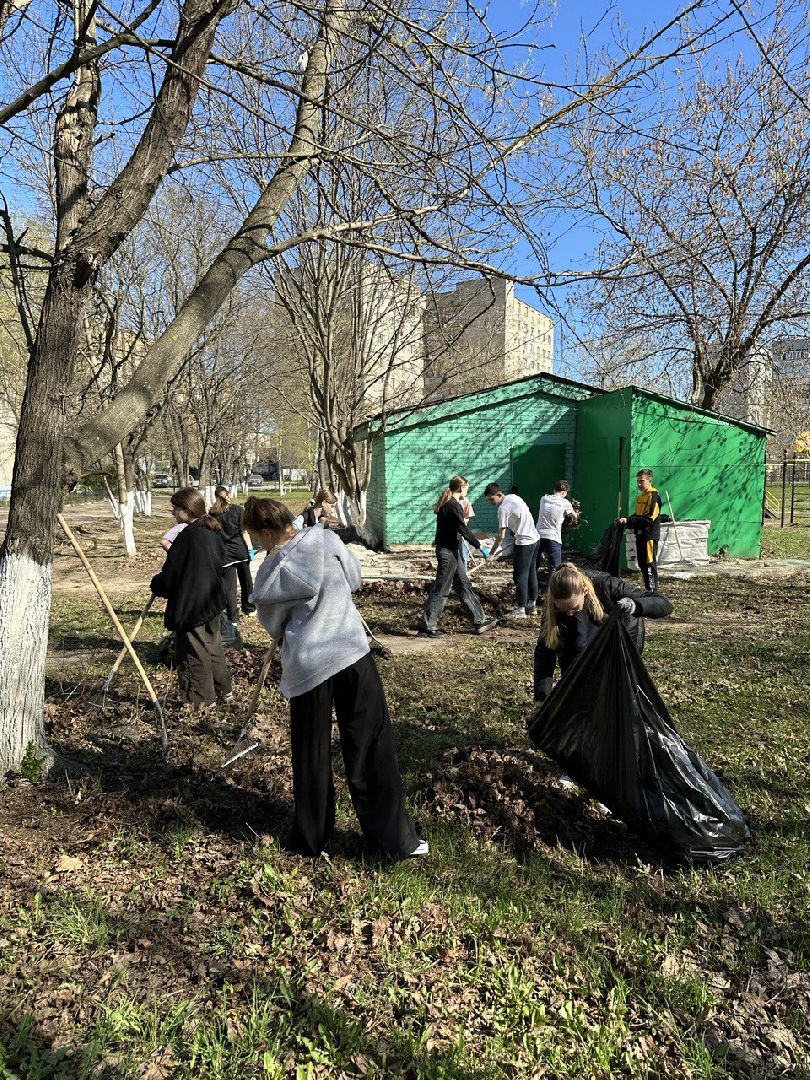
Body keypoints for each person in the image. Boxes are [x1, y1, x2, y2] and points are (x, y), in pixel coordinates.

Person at [243, 496, 426, 859]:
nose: (257, 543)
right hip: (350, 652)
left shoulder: (268, 574)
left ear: (266, 531)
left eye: (255, 536)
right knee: (370, 746)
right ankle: (394, 840)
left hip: (308, 665)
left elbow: (273, 625)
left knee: (311, 753)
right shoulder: (326, 539)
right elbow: (354, 579)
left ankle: (310, 838)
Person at [533, 562, 672, 703]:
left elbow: (664, 604)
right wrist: (542, 696)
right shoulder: (554, 604)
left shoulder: (608, 586)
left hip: (617, 644)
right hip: (578, 644)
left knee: (616, 693)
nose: (569, 613)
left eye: (574, 608)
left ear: (585, 591)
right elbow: (545, 651)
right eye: (563, 609)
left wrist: (634, 606)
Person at [150, 488, 232, 705]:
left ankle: (201, 701)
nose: (173, 513)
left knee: (193, 652)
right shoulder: (212, 529)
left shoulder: (187, 537)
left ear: (186, 510)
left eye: (175, 509)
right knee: (212, 645)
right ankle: (223, 690)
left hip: (192, 605)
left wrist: (157, 584)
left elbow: (170, 577)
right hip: (211, 600)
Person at [417, 476, 497, 639]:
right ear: (461, 488)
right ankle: (428, 626)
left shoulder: (449, 503)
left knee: (463, 585)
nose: (467, 490)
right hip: (447, 553)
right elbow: (463, 529)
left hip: (452, 551)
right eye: (467, 487)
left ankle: (479, 620)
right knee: (442, 588)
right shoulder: (453, 505)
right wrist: (480, 546)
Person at [483, 482, 541, 618]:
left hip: (524, 542)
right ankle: (531, 605)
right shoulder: (514, 497)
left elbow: (501, 535)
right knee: (531, 572)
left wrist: (491, 553)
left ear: (499, 494)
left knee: (520, 576)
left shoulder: (503, 508)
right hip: (535, 539)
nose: (491, 502)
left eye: (492, 499)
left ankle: (521, 609)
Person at [210, 485, 256, 625]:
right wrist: (250, 549)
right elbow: (244, 532)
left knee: (229, 588)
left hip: (225, 555)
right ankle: (249, 608)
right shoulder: (238, 510)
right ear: (228, 495)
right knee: (246, 581)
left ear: (215, 497)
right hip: (240, 551)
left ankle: (233, 618)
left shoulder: (212, 514)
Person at [620, 468, 662, 592]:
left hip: (649, 536)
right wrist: (627, 520)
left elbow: (649, 518)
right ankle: (648, 589)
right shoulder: (641, 496)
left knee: (649, 564)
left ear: (650, 481)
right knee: (642, 564)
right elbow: (638, 515)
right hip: (639, 535)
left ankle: (653, 591)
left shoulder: (653, 496)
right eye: (637, 481)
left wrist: (630, 520)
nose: (639, 484)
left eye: (642, 481)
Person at [535, 480, 577, 573]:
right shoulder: (565, 503)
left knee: (534, 565)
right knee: (555, 568)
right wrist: (575, 512)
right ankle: (552, 582)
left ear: (554, 489)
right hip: (553, 537)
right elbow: (574, 516)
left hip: (538, 535)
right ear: (564, 492)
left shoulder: (543, 499)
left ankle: (532, 582)